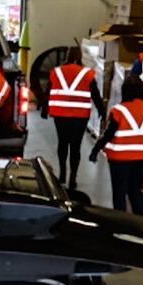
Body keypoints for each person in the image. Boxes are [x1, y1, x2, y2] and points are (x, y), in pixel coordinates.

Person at [90, 76, 143, 214]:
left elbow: (108, 134)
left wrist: (95, 150)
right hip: (142, 159)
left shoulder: (119, 111)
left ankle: (121, 223)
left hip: (120, 160)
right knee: (135, 191)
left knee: (119, 193)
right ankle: (140, 222)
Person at [45, 46, 103, 188]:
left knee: (62, 143)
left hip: (60, 114)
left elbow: (48, 91)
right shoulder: (87, 73)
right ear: (79, 57)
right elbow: (95, 94)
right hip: (79, 116)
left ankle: (62, 173)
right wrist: (103, 111)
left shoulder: (56, 72)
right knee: (75, 146)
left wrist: (44, 109)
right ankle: (73, 177)